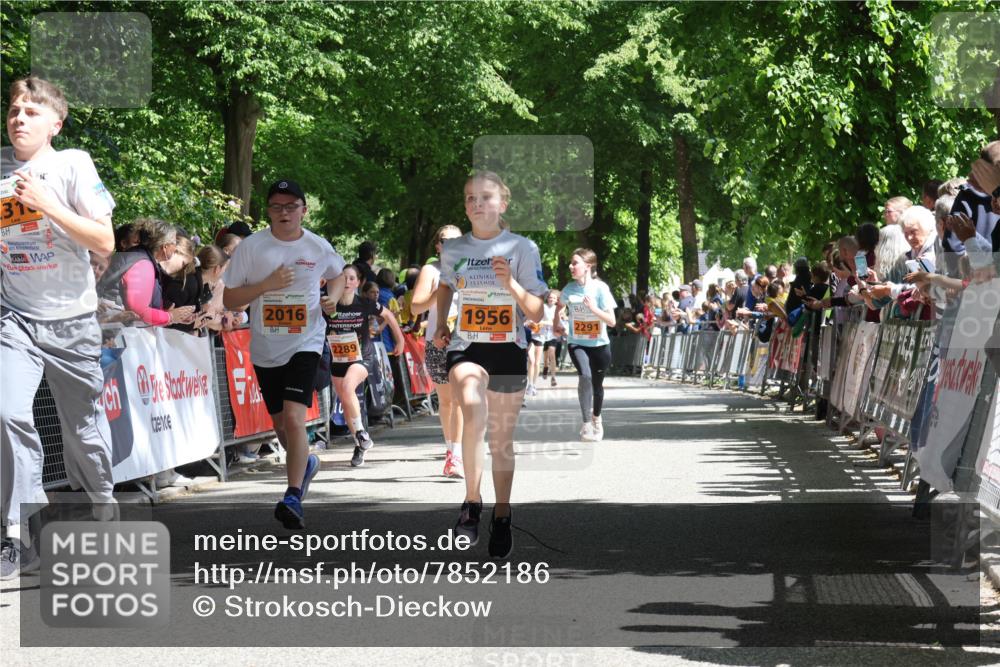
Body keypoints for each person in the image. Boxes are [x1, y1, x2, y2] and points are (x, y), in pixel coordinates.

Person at [1, 76, 119, 578]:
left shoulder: (72, 164)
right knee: (8, 414)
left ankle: (104, 502)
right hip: (16, 318)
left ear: (56, 123)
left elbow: (105, 241)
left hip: (71, 322)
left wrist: (47, 204)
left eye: (30, 111)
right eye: (13, 110)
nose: (18, 118)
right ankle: (16, 532)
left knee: (83, 431)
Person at [433, 171, 547, 558]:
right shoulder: (453, 249)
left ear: (504, 203)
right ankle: (471, 503)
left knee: (500, 441)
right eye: (469, 198)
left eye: (485, 197)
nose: (476, 204)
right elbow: (446, 285)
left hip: (509, 348)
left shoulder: (522, 248)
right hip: (467, 346)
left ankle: (502, 513)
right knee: (468, 396)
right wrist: (440, 325)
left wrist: (512, 285)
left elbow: (536, 312)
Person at [222, 179, 347, 530]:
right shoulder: (252, 247)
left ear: (304, 210)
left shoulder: (317, 246)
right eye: (276, 206)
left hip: (305, 343)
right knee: (279, 424)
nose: (284, 212)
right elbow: (230, 299)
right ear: (268, 212)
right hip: (265, 347)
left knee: (294, 419)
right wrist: (266, 286)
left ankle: (292, 495)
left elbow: (338, 276)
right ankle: (304, 463)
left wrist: (333, 300)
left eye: (291, 206)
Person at [324, 265, 403, 467]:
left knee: (349, 388)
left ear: (358, 283)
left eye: (352, 278)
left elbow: (389, 316)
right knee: (347, 400)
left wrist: (400, 340)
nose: (348, 282)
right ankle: (359, 444)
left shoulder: (364, 303)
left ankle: (360, 432)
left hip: (362, 358)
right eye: (344, 278)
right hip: (337, 360)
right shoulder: (329, 305)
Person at [410, 224, 465, 477]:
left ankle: (458, 455)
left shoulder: (473, 268)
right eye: (446, 240)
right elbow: (414, 308)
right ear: (438, 246)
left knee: (463, 398)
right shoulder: (431, 270)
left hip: (466, 340)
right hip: (437, 341)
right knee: (447, 400)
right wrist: (438, 292)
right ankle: (450, 449)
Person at [553, 249, 617, 443]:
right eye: (571, 264)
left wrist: (593, 309)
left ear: (588, 266)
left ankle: (597, 418)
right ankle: (586, 423)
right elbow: (559, 305)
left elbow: (612, 321)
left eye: (575, 263)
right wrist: (557, 321)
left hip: (599, 344)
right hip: (577, 342)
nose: (571, 267)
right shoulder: (569, 288)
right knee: (585, 376)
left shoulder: (600, 289)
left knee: (597, 384)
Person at [96, 218, 197, 328]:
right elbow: (139, 311)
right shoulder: (143, 264)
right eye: (174, 243)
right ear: (165, 246)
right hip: (112, 329)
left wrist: (173, 317)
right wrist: (170, 316)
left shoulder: (139, 258)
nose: (175, 247)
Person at [539, 290, 562, 386]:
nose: (551, 299)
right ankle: (545, 366)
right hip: (543, 334)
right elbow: (539, 318)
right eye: (550, 297)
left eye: (553, 298)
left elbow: (559, 321)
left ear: (556, 300)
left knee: (552, 354)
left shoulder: (558, 309)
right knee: (545, 357)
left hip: (553, 335)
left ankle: (553, 377)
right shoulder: (543, 307)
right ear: (547, 299)